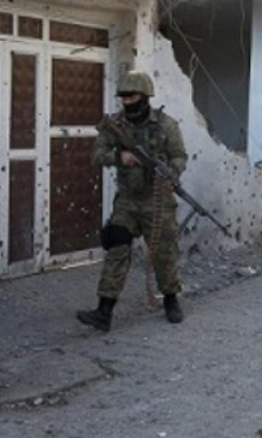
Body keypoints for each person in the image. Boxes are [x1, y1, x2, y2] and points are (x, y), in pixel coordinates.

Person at [76, 70, 187, 332]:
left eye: (132, 96)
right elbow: (96, 155)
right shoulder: (114, 125)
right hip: (126, 201)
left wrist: (171, 174)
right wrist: (120, 157)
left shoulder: (166, 125)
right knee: (117, 249)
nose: (127, 101)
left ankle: (170, 298)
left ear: (145, 96)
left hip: (157, 200)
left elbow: (179, 156)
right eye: (123, 97)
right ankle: (104, 311)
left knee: (164, 253)